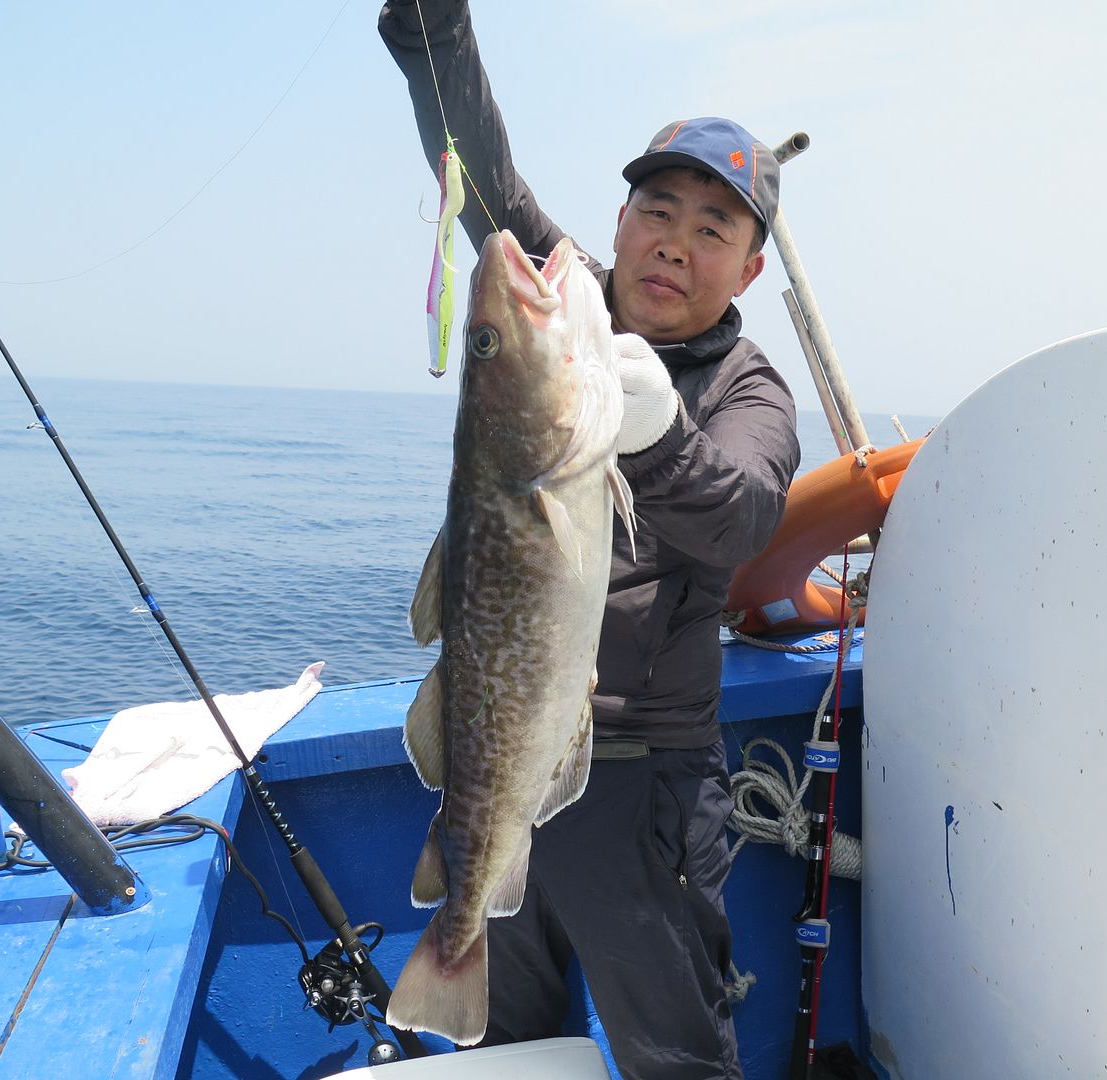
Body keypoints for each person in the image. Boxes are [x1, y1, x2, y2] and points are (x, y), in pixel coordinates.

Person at [380, 3, 801, 1077]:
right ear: (617, 222)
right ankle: (462, 967)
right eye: (658, 209)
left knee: (674, 1048)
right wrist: (431, 33)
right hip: (495, 765)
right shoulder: (554, 306)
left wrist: (659, 440)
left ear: (749, 270)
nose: (677, 240)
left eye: (717, 228)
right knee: (512, 1044)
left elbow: (747, 516)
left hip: (643, 786)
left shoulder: (748, 388)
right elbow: (473, 168)